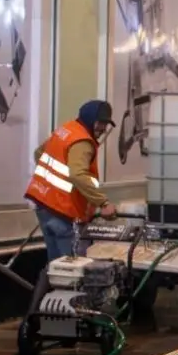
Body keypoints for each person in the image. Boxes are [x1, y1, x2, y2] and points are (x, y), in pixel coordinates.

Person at [25, 100, 117, 262]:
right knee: (72, 267)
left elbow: (39, 153)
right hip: (63, 212)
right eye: (100, 122)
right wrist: (103, 203)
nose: (103, 128)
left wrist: (52, 188)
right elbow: (78, 174)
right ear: (89, 119)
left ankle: (50, 286)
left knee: (55, 264)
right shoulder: (83, 142)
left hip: (43, 206)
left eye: (106, 124)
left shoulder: (66, 130)